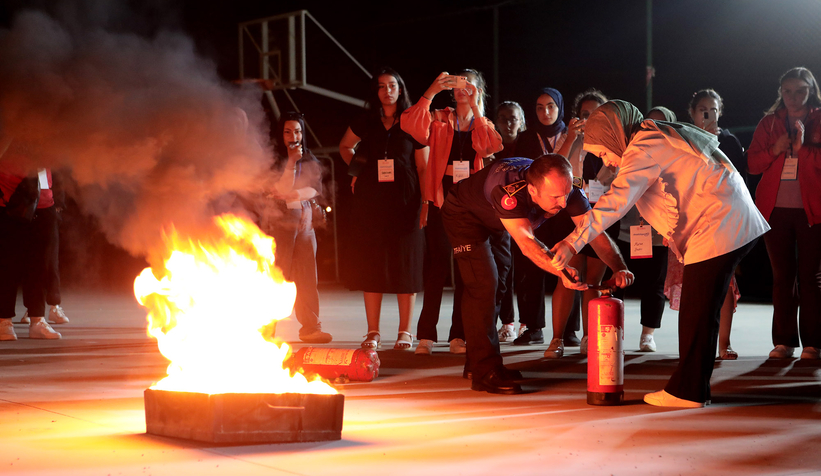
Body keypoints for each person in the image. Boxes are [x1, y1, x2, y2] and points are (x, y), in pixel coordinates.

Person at [551, 100, 770, 408]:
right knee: (700, 310)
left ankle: (688, 391)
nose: (606, 161)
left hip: (720, 224)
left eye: (603, 151)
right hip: (727, 220)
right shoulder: (654, 135)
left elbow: (615, 203)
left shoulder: (644, 145)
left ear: (614, 134)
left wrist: (572, 242)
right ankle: (694, 388)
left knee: (697, 311)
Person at [441, 154, 632, 394]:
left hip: (497, 220)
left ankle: (476, 362)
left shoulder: (566, 190)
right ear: (533, 190)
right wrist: (561, 271)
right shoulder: (508, 192)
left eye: (566, 194)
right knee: (483, 285)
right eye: (555, 197)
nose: (563, 203)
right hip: (464, 214)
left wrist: (619, 266)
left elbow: (592, 231)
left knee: (498, 285)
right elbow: (527, 243)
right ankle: (484, 371)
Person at [402, 69, 503, 356]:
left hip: (471, 202)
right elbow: (410, 126)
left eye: (469, 83)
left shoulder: (482, 123)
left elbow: (490, 146)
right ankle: (426, 335)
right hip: (442, 198)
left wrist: (476, 108)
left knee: (465, 270)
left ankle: (458, 334)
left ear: (478, 90)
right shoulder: (439, 118)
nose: (462, 87)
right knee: (436, 268)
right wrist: (432, 91)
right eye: (458, 82)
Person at [339, 68, 427, 351]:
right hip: (372, 200)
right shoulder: (366, 120)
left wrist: (426, 202)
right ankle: (373, 331)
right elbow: (345, 146)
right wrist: (358, 171)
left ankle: (405, 332)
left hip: (406, 200)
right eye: (381, 86)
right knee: (372, 263)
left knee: (406, 264)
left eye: (392, 86)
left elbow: (423, 166)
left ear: (400, 89)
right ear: (375, 91)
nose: (387, 91)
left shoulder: (412, 121)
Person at [748, 67, 821, 360]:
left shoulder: (819, 119)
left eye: (801, 91)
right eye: (787, 91)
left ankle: (813, 343)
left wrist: (803, 149)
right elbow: (753, 164)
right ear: (781, 92)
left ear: (811, 91)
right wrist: (775, 149)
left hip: (813, 211)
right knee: (782, 277)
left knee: (811, 277)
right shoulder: (769, 123)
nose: (793, 97)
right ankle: (784, 341)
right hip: (775, 210)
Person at [260, 112, 331, 344]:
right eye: (288, 132)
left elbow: (315, 188)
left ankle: (311, 327)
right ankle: (266, 332)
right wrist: (291, 162)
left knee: (307, 276)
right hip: (280, 220)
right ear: (280, 134)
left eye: (298, 131)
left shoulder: (308, 157)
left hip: (305, 220)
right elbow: (280, 189)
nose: (294, 137)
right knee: (277, 274)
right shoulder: (273, 158)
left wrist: (298, 194)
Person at [611, 106, 677, 353]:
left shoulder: (674, 156)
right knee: (618, 282)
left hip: (657, 233)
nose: (654, 128)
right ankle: (613, 333)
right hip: (625, 230)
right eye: (649, 123)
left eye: (660, 123)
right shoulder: (629, 151)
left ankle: (648, 335)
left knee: (653, 285)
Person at [0, 158, 63, 340]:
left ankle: (37, 319)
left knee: (40, 265)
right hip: (10, 201)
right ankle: (4, 320)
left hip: (44, 203)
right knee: (8, 263)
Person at [493, 100, 526, 343]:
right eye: (503, 118)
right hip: (497, 214)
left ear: (521, 121)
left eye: (513, 118)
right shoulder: (490, 145)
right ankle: (507, 322)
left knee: (525, 270)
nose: (508, 123)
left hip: (524, 213)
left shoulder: (527, 144)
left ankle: (527, 323)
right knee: (503, 270)